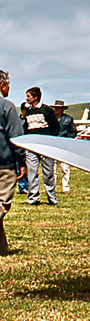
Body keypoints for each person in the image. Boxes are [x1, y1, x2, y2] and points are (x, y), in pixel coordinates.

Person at [0, 70, 26, 255]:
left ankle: (2, 248)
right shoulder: (7, 107)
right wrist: (21, 160)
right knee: (2, 203)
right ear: (2, 85)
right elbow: (16, 137)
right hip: (4, 163)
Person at [23, 87, 59, 206]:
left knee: (48, 173)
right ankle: (33, 198)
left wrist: (50, 140)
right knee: (32, 172)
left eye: (28, 96)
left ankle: (52, 198)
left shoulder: (47, 110)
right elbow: (25, 128)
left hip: (45, 145)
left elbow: (55, 127)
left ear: (35, 97)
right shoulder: (27, 111)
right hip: (31, 146)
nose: (26, 99)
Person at [52, 100, 77, 193]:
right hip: (53, 145)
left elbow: (73, 131)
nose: (56, 110)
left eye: (58, 108)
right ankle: (53, 187)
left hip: (64, 146)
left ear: (62, 109)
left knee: (65, 168)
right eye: (55, 108)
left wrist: (67, 140)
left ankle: (65, 187)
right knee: (52, 168)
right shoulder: (51, 119)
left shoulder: (68, 119)